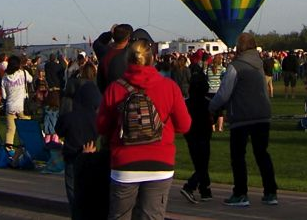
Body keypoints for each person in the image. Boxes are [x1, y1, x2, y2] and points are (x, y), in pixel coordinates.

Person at [96, 37, 191, 220]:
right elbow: (185, 125)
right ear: (152, 58)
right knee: (152, 216)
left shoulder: (115, 89)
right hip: (159, 162)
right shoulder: (169, 87)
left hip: (125, 162)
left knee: (119, 215)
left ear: (127, 60)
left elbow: (102, 126)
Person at [210, 32, 278, 207]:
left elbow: (224, 93)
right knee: (262, 154)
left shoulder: (235, 66)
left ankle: (241, 193)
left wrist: (210, 107)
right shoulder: (259, 64)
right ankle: (270, 192)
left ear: (239, 47)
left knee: (238, 156)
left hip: (242, 116)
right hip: (262, 115)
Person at [56, 61, 105, 220]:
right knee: (89, 192)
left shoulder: (70, 116)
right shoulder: (97, 119)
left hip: (72, 155)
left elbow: (59, 129)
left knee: (73, 193)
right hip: (91, 154)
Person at [179, 50, 214, 204]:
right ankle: (190, 186)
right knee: (203, 163)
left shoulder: (186, 103)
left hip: (191, 135)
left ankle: (205, 190)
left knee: (199, 162)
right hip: (203, 135)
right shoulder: (207, 103)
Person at [1, 53, 34, 147]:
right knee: (25, 129)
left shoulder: (5, 78)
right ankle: (24, 147)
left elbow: (4, 96)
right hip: (22, 105)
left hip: (10, 106)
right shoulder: (22, 73)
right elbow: (31, 80)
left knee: (10, 130)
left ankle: (8, 150)